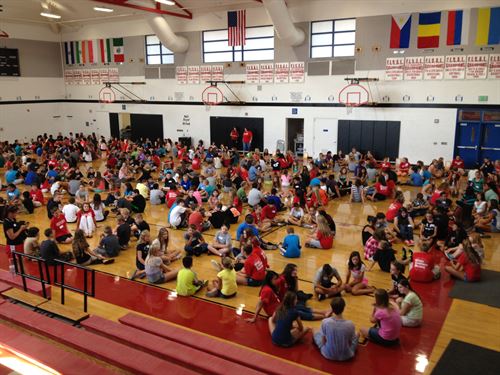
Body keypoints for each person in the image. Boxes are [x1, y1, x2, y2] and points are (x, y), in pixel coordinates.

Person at [313, 297, 358, 361]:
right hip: (346, 356)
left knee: (315, 330)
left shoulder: (325, 322)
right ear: (344, 308)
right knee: (357, 333)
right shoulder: (350, 324)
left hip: (327, 354)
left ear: (332, 309)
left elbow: (323, 340)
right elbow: (350, 342)